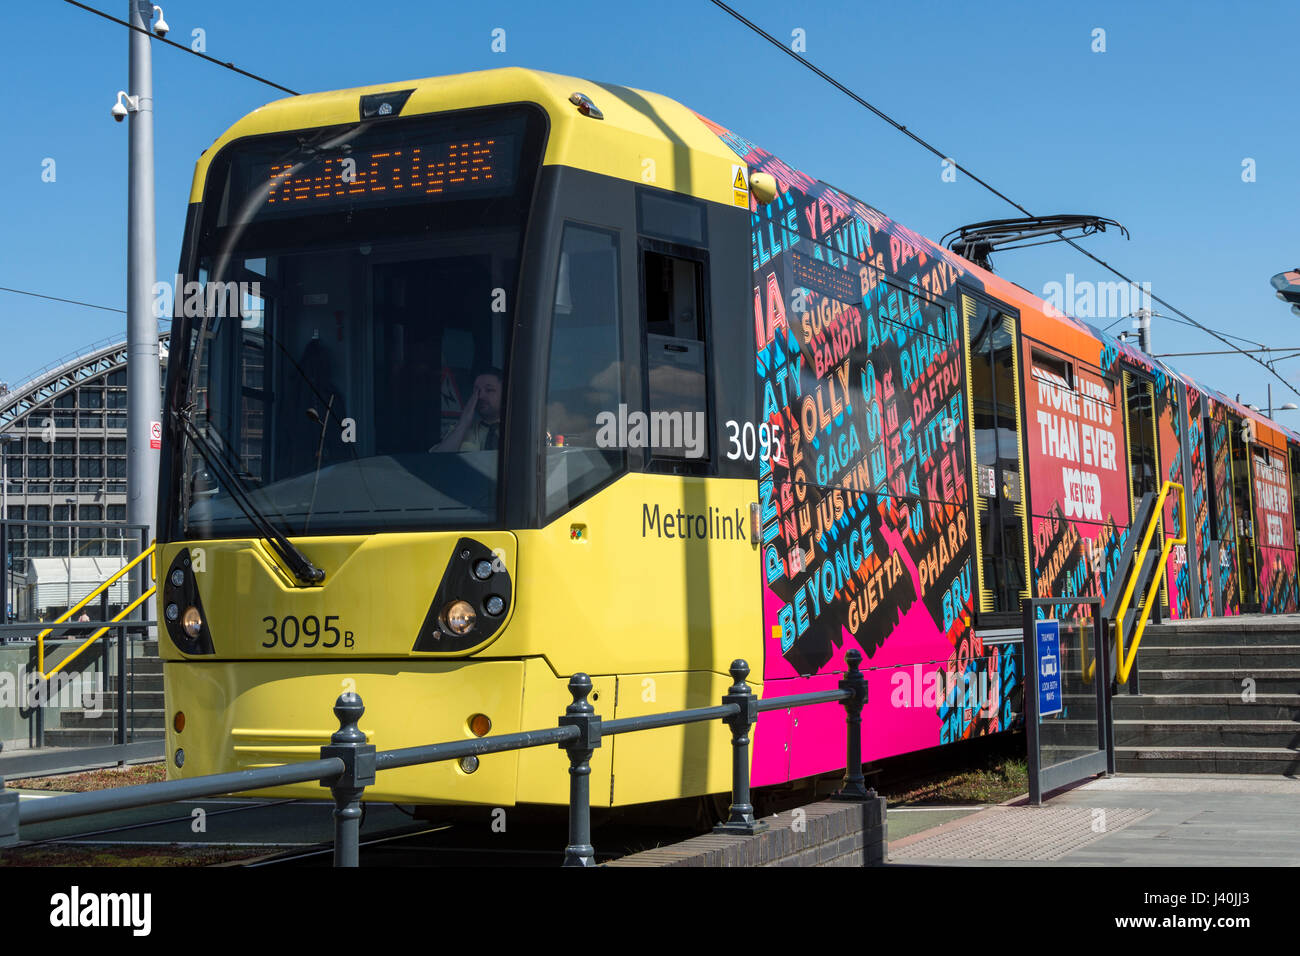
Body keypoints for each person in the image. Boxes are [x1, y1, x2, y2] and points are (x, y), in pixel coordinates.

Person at [431, 369, 503, 452]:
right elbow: (438, 460)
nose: (480, 396)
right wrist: (464, 422)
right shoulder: (459, 430)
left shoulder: (518, 429)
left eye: (489, 390)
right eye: (477, 391)